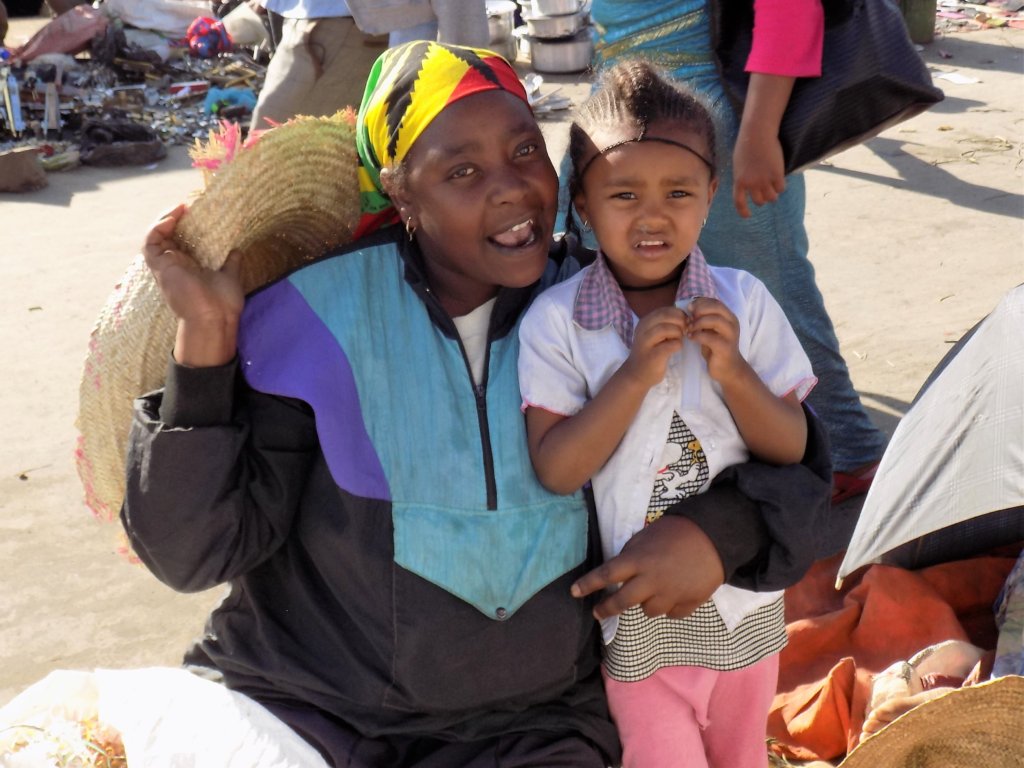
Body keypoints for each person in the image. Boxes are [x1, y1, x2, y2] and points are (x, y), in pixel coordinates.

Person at [124, 41, 831, 767]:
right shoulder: (313, 320)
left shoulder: (619, 308)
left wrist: (718, 534)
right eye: (462, 170)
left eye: (526, 151)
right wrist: (205, 344)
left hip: (532, 726)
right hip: (305, 705)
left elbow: (798, 464)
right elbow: (193, 553)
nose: (511, 188)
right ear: (401, 194)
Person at [518, 59, 816, 768]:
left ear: (710, 196)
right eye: (623, 194)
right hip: (638, 618)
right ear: (582, 207)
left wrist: (736, 375)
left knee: (742, 754)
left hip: (742, 604)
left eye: (678, 192)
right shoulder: (558, 323)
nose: (653, 216)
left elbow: (795, 445)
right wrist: (631, 378)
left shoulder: (744, 303)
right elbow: (557, 467)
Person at [580, 0, 888, 502]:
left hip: (713, 123)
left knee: (776, 294)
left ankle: (847, 450)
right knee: (618, 288)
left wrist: (760, 131)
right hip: (626, 120)